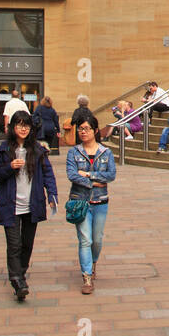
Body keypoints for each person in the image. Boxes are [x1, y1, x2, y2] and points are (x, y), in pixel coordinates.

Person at [0, 109, 59, 302]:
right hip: (10, 204)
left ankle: (20, 273)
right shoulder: (5, 149)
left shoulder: (38, 150)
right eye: (19, 125)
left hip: (32, 204)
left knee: (27, 244)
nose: (23, 129)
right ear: (13, 127)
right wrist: (9, 167)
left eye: (26, 125)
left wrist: (52, 195)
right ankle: (17, 280)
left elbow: (48, 174)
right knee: (14, 245)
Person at [66, 115, 116, 294]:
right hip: (80, 200)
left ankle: (93, 262)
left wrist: (88, 176)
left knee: (97, 239)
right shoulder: (74, 152)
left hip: (101, 201)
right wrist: (94, 182)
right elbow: (72, 174)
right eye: (80, 129)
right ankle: (86, 276)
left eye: (86, 129)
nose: (83, 132)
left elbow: (111, 175)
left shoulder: (106, 152)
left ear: (95, 130)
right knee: (85, 239)